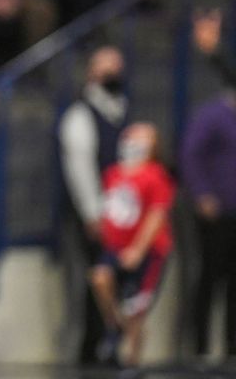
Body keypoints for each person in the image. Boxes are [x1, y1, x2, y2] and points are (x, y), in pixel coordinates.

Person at [57, 45, 129, 364]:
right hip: (92, 217)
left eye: (117, 66)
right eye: (105, 67)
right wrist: (93, 213)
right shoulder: (81, 114)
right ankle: (88, 353)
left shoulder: (121, 109)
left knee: (118, 287)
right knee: (90, 287)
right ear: (90, 72)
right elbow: (80, 166)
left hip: (120, 215)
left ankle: (110, 348)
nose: (113, 73)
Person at [90, 123, 174, 367]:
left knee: (135, 309)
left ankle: (132, 361)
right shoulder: (113, 173)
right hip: (116, 248)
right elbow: (111, 209)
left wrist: (138, 249)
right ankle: (115, 326)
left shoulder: (156, 175)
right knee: (100, 278)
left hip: (148, 252)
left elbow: (156, 215)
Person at [180, 23, 236, 358]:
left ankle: (231, 346)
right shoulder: (213, 116)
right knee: (209, 278)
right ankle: (199, 347)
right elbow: (190, 155)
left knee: (235, 282)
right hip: (215, 213)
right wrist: (202, 194)